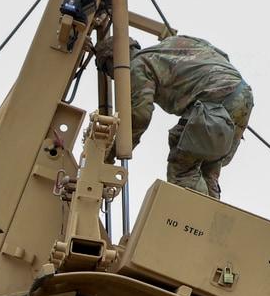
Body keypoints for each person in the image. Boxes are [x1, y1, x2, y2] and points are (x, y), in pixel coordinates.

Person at [95, 32, 254, 200]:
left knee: (182, 168)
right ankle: (209, 221)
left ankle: (194, 220)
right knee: (208, 168)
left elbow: (140, 116)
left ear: (112, 61)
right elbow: (221, 55)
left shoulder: (137, 66)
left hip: (213, 102)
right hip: (242, 96)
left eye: (108, 71)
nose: (113, 77)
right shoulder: (172, 43)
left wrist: (111, 155)